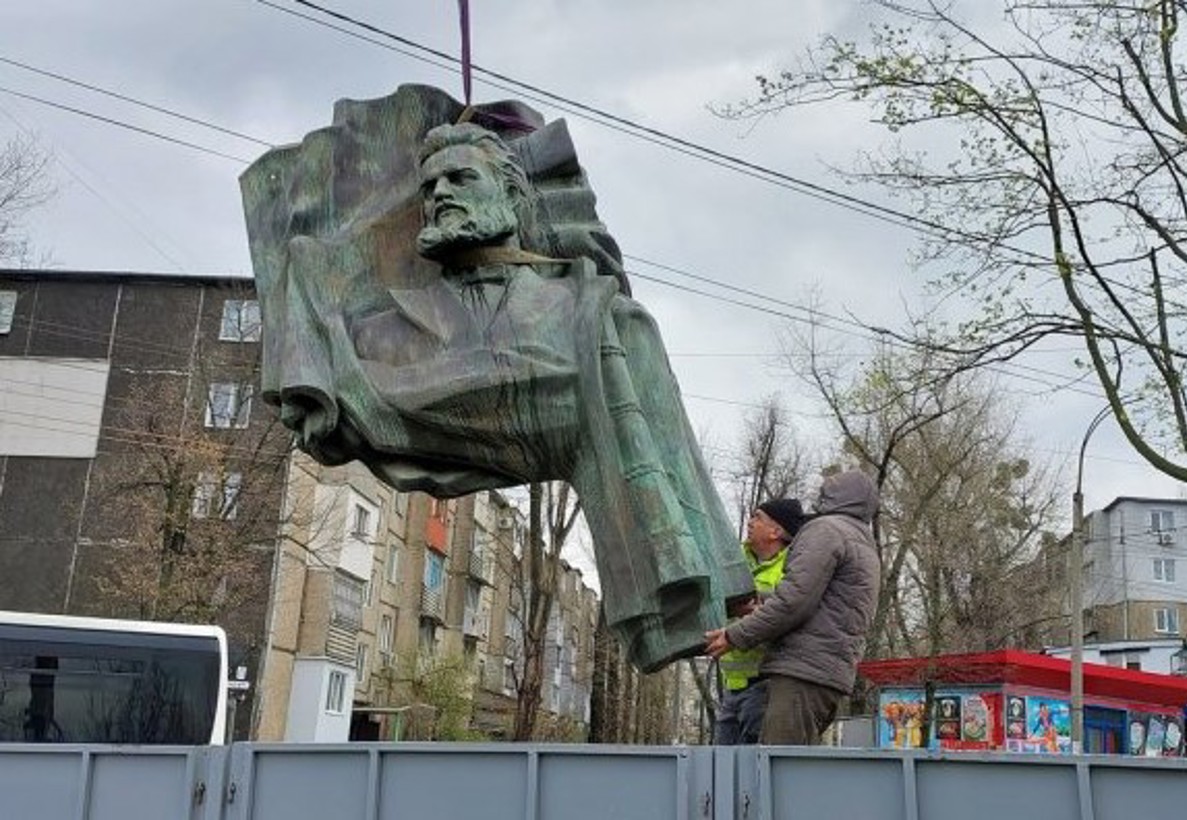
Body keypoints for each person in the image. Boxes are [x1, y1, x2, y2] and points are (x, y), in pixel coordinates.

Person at [244, 95, 754, 673]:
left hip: (578, 377)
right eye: (430, 187)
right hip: (475, 392)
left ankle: (696, 586)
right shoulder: (381, 332)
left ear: (512, 195)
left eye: (460, 178)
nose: (439, 195)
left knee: (629, 334)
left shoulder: (585, 311)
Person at [706, 469, 881, 745]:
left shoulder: (827, 531)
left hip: (801, 673)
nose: (824, 487)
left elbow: (793, 601)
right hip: (828, 674)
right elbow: (815, 600)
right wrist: (762, 606)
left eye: (830, 486)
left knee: (777, 773)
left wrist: (734, 635)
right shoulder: (863, 542)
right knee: (790, 768)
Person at [714, 498, 805, 745]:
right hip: (731, 687)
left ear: (775, 531)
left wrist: (760, 609)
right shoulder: (733, 561)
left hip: (764, 687)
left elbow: (788, 613)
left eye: (758, 517)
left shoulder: (793, 567)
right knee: (722, 765)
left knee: (751, 766)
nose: (750, 522)